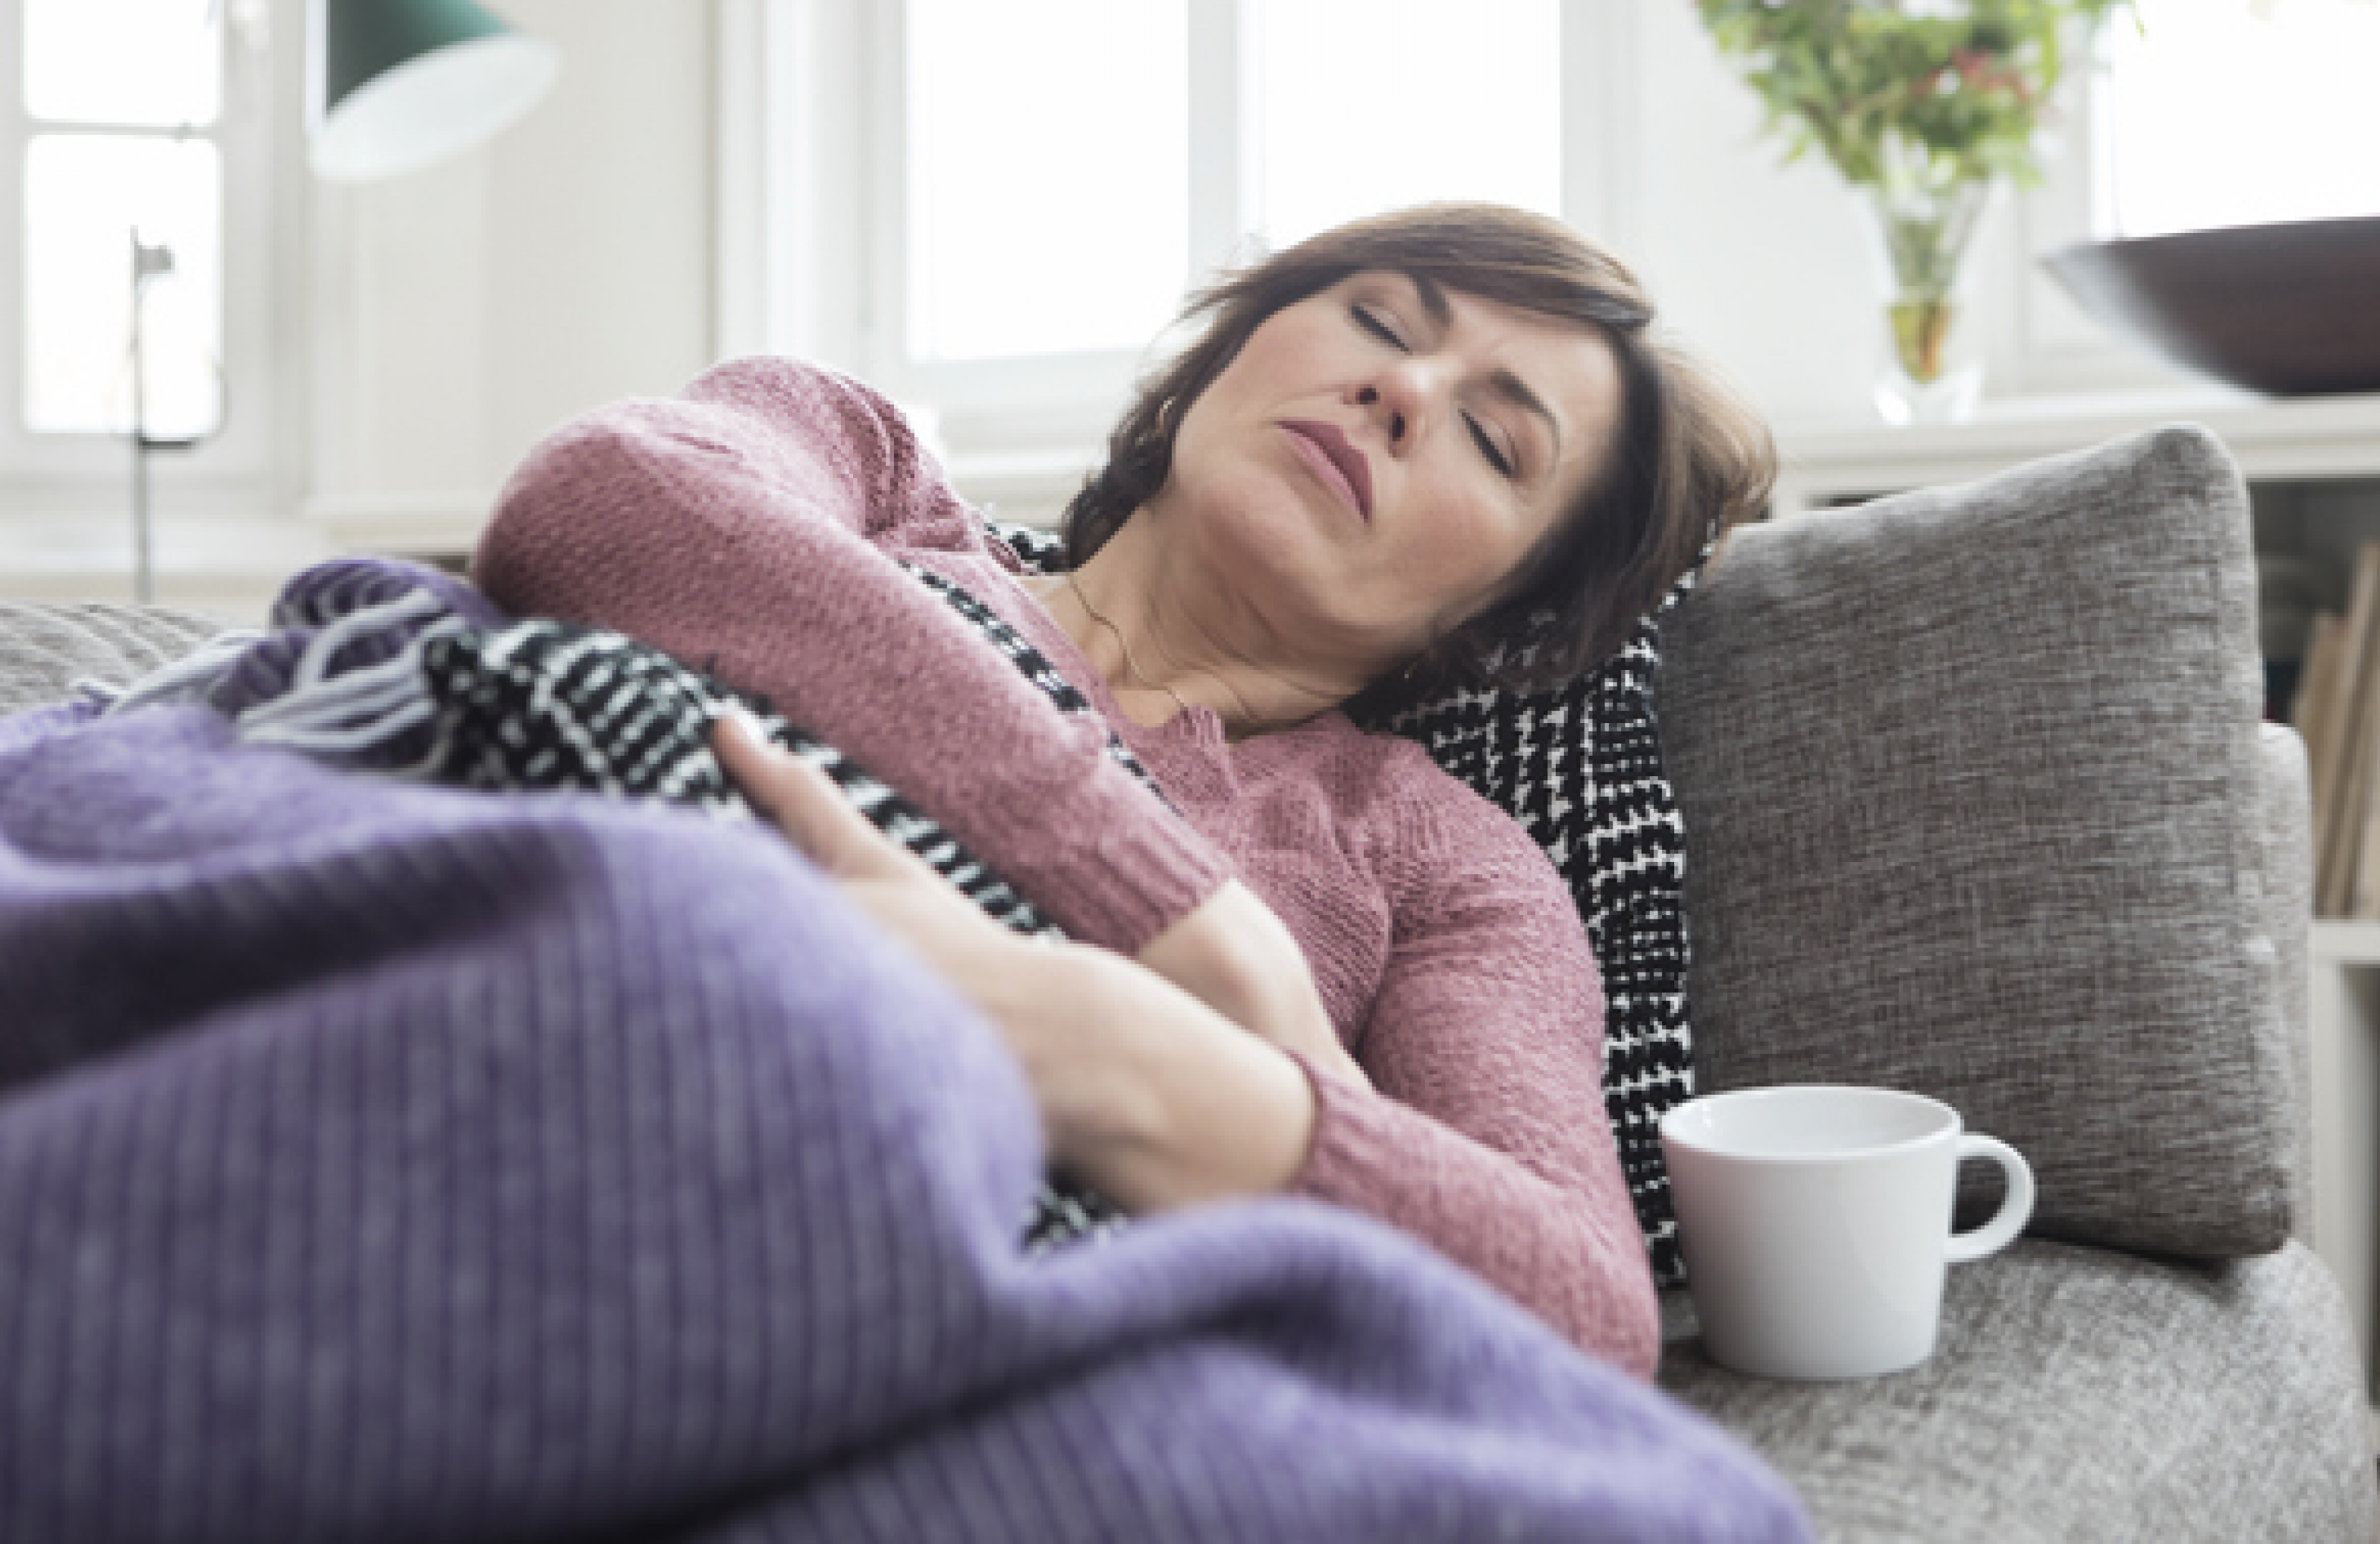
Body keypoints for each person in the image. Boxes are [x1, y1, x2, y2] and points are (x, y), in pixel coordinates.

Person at [472, 200, 1774, 1381]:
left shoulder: (1443, 865)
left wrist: (1103, 1045)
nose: (1403, 386)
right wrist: (1192, 929)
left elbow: (1582, 1317)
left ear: (1499, 615)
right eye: (1379, 318)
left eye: (1495, 441)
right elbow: (597, 504)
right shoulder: (868, 478)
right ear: (1231, 350)